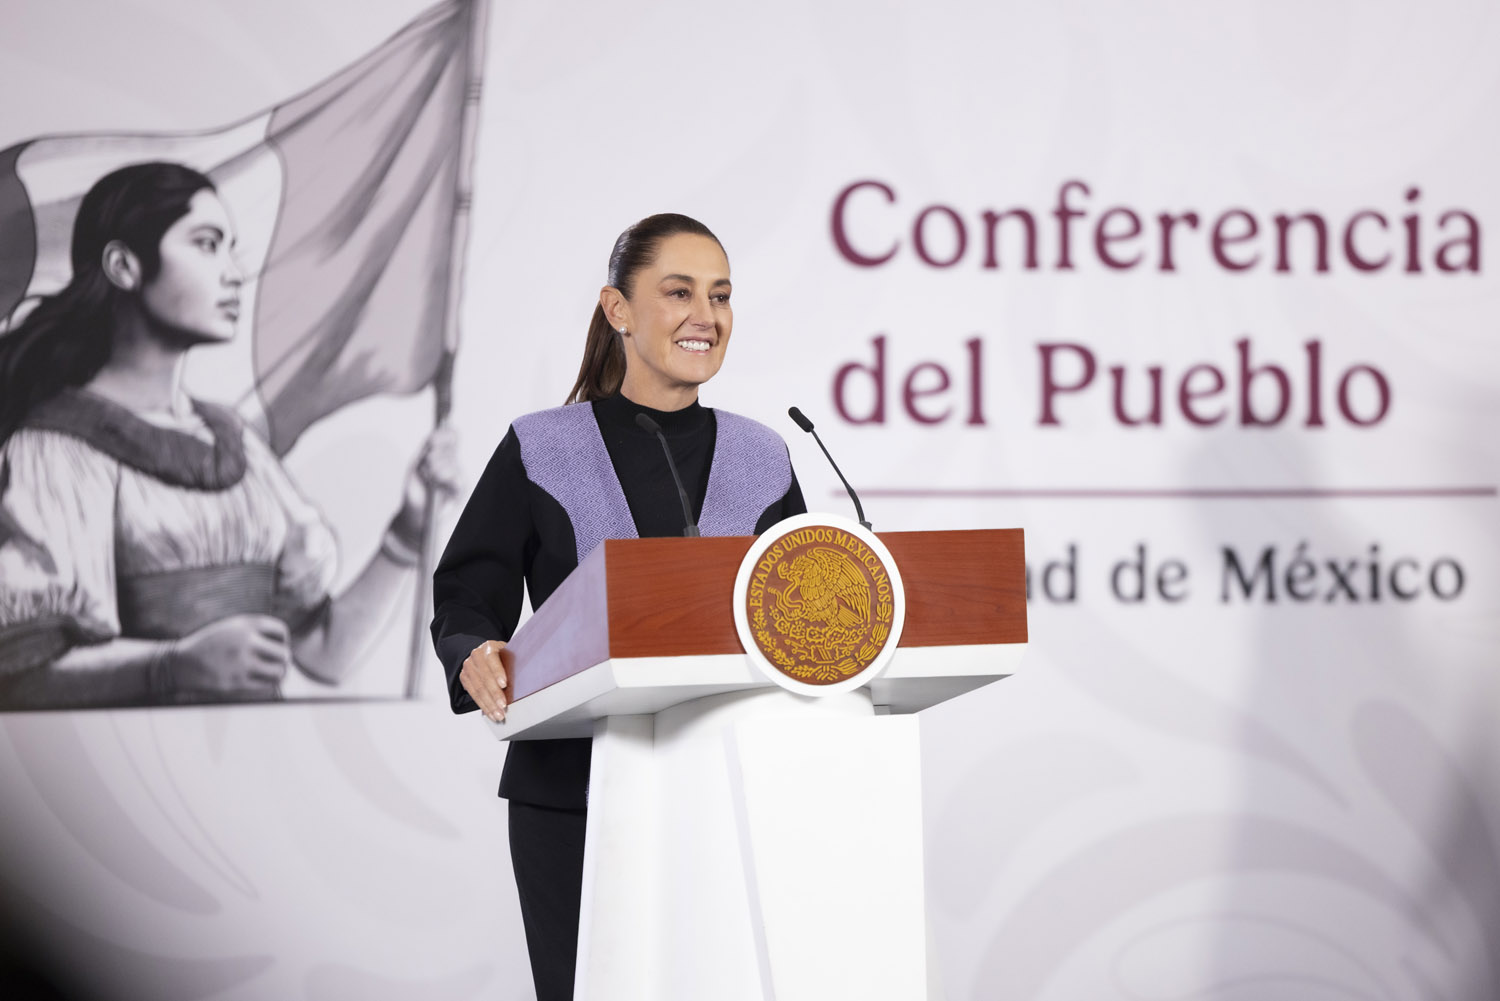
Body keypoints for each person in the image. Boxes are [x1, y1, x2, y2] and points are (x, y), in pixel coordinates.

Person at [430, 213, 806, 1000]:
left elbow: (801, 615)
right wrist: (473, 650)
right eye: (679, 292)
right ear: (618, 309)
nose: (706, 314)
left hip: (727, 792)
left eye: (721, 295)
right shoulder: (543, 446)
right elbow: (468, 587)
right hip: (573, 793)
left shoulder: (764, 455)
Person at [0, 161, 456, 706]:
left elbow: (325, 654)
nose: (234, 273)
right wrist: (172, 666)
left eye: (230, 248)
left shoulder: (234, 442)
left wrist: (408, 530)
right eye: (207, 244)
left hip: (255, 754)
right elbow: (20, 675)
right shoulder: (55, 449)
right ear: (123, 266)